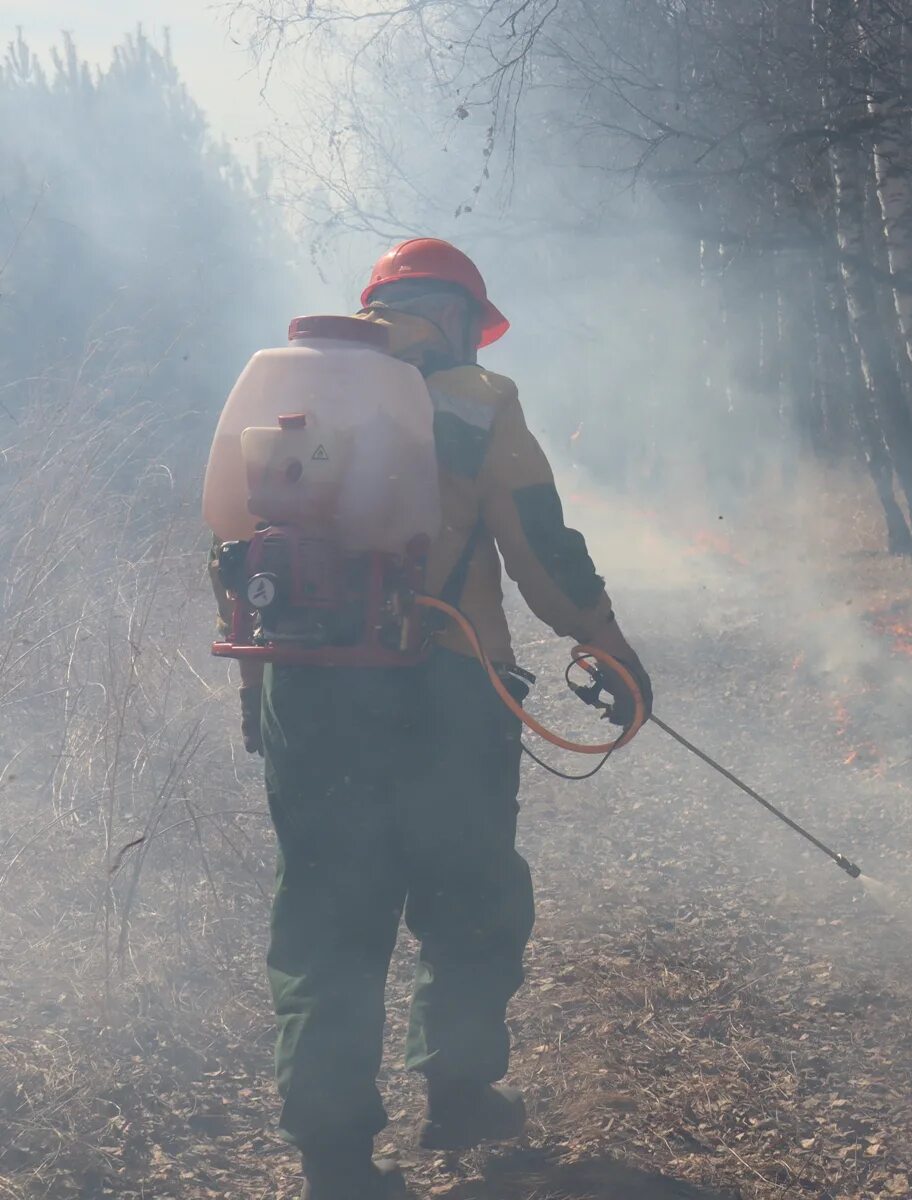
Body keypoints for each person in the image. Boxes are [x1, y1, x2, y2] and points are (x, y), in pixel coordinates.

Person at [213, 238, 652, 1199]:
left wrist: (257, 698)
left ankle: (334, 1160)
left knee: (327, 915)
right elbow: (539, 542)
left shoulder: (294, 395)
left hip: (303, 687)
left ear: (376, 308)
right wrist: (608, 646)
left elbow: (242, 561)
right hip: (446, 685)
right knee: (469, 893)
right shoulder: (477, 400)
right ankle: (455, 1093)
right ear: (460, 315)